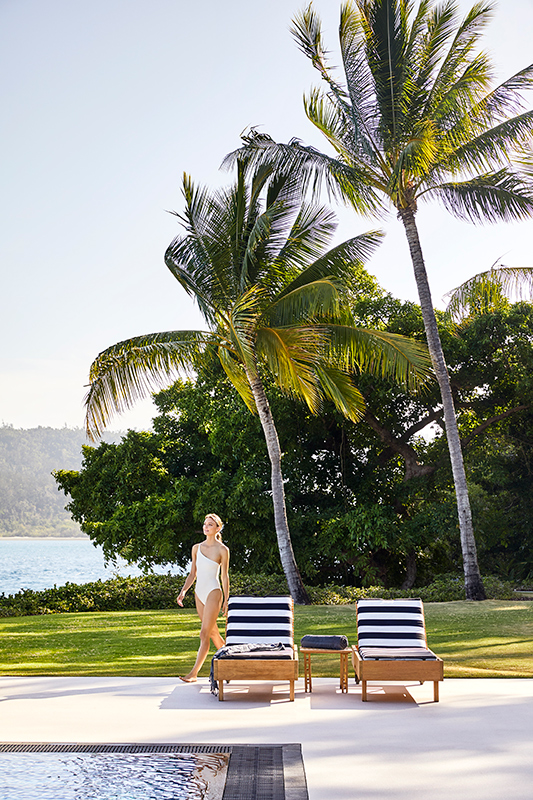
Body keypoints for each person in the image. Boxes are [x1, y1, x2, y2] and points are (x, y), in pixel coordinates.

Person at [176, 513, 229, 682]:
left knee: (204, 633)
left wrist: (227, 599)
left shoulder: (223, 550)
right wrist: (184, 591)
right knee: (213, 634)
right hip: (199, 593)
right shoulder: (196, 548)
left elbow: (225, 577)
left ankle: (193, 674)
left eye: (210, 525)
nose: (206, 527)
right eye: (205, 524)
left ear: (218, 528)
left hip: (214, 592)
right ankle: (231, 662)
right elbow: (193, 573)